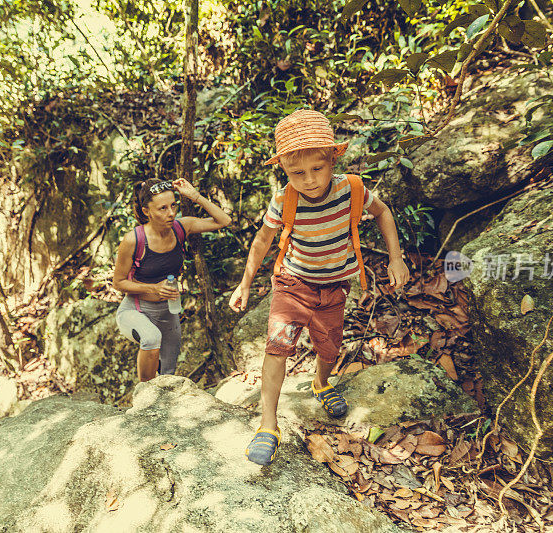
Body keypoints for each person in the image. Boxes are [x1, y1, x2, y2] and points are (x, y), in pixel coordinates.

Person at [229, 109, 411, 465]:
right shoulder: (285, 199)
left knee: (328, 349)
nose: (309, 180)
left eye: (318, 168)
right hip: (292, 284)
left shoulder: (352, 189)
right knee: (277, 347)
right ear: (284, 170)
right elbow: (262, 241)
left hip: (334, 288)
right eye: (297, 173)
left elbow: (384, 213)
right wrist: (245, 284)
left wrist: (396, 258)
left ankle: (321, 383)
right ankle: (268, 426)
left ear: (332, 161)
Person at [113, 177, 231, 382]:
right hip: (135, 310)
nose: (171, 213)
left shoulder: (181, 228)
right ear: (146, 211)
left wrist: (195, 196)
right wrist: (152, 289)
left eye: (173, 205)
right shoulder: (134, 240)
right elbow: (119, 283)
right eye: (162, 208)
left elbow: (224, 221)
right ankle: (143, 398)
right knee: (151, 338)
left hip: (168, 312)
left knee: (167, 374)